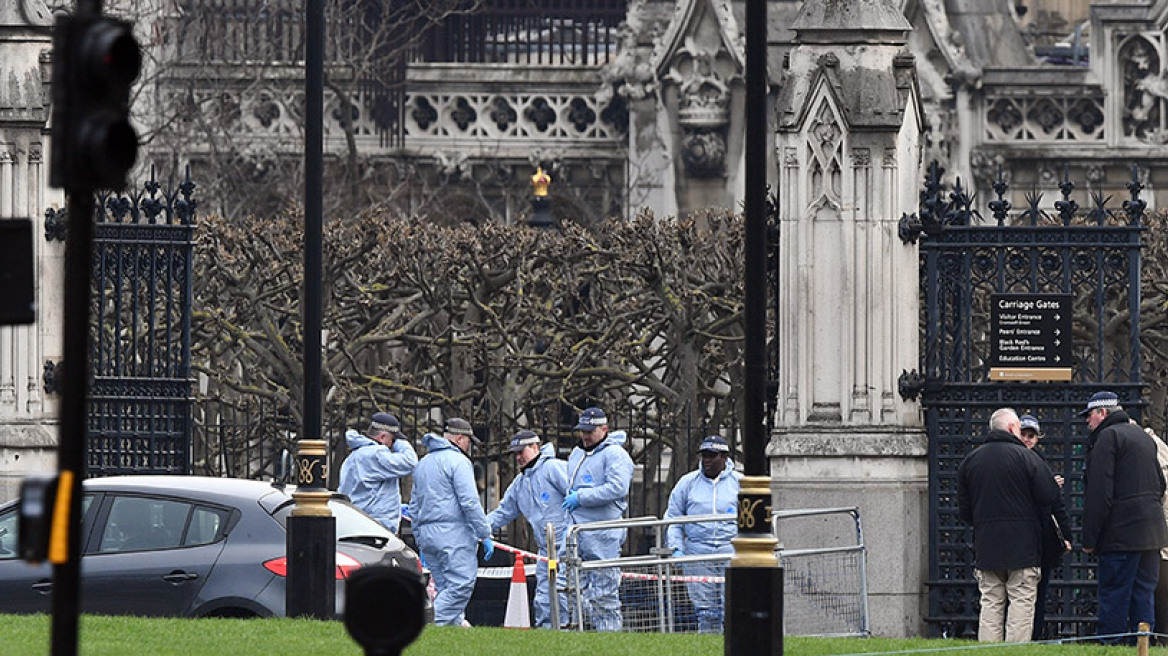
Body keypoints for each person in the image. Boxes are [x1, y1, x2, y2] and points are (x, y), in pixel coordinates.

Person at [957, 407, 1060, 643]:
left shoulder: (970, 461)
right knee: (1021, 602)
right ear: (1013, 428)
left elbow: (965, 511)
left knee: (991, 602)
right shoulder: (1028, 458)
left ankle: (989, 649)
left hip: (987, 544)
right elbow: (1049, 495)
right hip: (1023, 546)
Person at [1080, 391, 1168, 643]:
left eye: (1090, 416)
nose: (1088, 422)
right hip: (1152, 534)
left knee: (1115, 593)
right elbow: (1160, 485)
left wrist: (1090, 538)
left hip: (1120, 535)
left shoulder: (1107, 438)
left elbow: (1100, 494)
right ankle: (1142, 644)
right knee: (1144, 593)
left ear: (1102, 413)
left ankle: (1112, 643)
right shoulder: (1143, 437)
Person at [411, 417, 495, 627]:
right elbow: (469, 501)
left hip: (427, 535)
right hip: (453, 534)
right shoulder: (459, 462)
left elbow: (414, 506)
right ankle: (428, 627)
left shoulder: (423, 463)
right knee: (460, 585)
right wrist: (484, 533)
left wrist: (419, 537)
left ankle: (453, 631)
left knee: (444, 586)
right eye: (469, 441)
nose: (469, 446)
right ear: (460, 439)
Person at [487, 429, 570, 628]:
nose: (518, 458)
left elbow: (577, 498)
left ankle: (568, 635)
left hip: (567, 547)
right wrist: (479, 528)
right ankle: (548, 637)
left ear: (535, 447)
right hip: (545, 551)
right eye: (514, 453)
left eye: (520, 452)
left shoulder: (554, 468)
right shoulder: (520, 483)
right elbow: (503, 512)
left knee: (565, 595)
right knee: (544, 598)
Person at [563, 406, 634, 632]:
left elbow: (617, 488)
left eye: (590, 431)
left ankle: (609, 638)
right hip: (577, 531)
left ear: (604, 429)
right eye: (582, 430)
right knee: (574, 591)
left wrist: (581, 497)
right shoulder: (578, 453)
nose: (585, 435)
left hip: (603, 532)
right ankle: (586, 636)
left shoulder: (615, 455)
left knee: (604, 593)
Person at [663, 435, 740, 633]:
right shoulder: (687, 483)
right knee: (706, 610)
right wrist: (676, 548)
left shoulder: (740, 483)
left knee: (732, 608)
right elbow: (673, 518)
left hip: (731, 551)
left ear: (724, 457)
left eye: (711, 456)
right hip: (698, 552)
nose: (706, 460)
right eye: (704, 455)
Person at [1017, 414, 1072, 641]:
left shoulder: (1041, 463)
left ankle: (1035, 635)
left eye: (1032, 436)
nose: (1028, 440)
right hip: (1021, 538)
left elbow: (1055, 505)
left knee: (1039, 594)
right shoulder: (1020, 462)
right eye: (1024, 435)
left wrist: (1066, 536)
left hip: (1041, 540)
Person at [337, 411, 418, 533]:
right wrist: (401, 442)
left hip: (355, 520)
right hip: (375, 525)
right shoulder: (376, 454)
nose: (392, 444)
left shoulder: (354, 456)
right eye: (392, 439)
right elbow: (410, 461)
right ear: (383, 437)